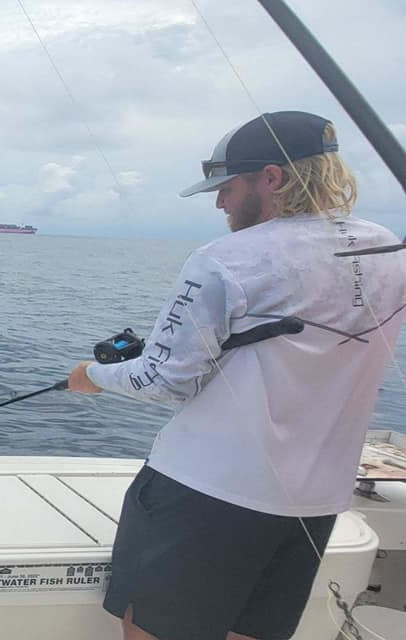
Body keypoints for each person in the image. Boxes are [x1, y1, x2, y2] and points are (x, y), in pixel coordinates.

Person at [65, 110, 406, 640]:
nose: (220, 202)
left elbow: (163, 379)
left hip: (205, 491)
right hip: (313, 502)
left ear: (271, 178)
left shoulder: (227, 259)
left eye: (226, 187)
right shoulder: (389, 248)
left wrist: (89, 375)